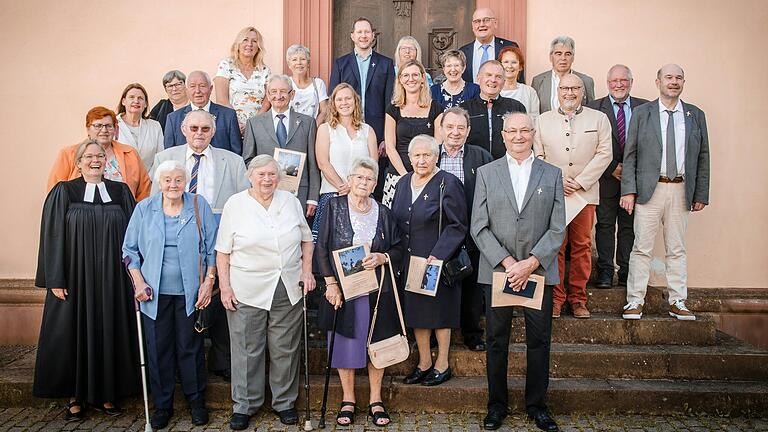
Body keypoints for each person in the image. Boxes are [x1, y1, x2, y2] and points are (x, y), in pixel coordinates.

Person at [471, 111, 565, 432]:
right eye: (513, 131)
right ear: (503, 135)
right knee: (497, 340)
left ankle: (537, 405)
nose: (519, 136)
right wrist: (510, 264)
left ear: (533, 133)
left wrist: (531, 262)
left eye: (525, 130)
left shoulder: (551, 174)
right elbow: (478, 227)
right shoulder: (486, 173)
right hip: (499, 270)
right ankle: (496, 405)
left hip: (538, 270)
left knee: (539, 341)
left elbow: (557, 228)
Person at [35, 139, 140, 421]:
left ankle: (108, 393)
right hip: (75, 278)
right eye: (89, 156)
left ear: (107, 161)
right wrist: (55, 278)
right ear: (78, 162)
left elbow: (134, 237)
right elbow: (52, 235)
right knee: (74, 333)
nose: (95, 160)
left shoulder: (120, 192)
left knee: (110, 328)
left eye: (100, 156)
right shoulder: (64, 192)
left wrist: (136, 277)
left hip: (113, 279)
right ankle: (75, 396)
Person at [215, 155, 316, 430]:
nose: (267, 179)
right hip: (246, 288)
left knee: (285, 348)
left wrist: (307, 271)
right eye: (261, 174)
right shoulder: (235, 204)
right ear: (250, 176)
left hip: (287, 285)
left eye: (272, 174)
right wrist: (224, 286)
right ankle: (245, 405)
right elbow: (222, 252)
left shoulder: (290, 201)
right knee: (247, 349)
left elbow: (307, 241)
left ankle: (284, 403)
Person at [151, 109, 250, 382]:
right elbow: (152, 206)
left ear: (214, 132)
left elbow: (244, 204)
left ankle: (222, 360)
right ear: (183, 129)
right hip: (176, 241)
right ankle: (181, 367)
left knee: (220, 296)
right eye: (193, 128)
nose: (199, 133)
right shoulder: (164, 159)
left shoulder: (233, 161)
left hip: (221, 238)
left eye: (205, 129)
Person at [122, 160, 217, 429]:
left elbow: (212, 249)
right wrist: (138, 282)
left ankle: (196, 402)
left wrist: (208, 283)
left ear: (185, 181)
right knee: (158, 349)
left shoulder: (199, 205)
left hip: (191, 293)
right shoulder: (145, 209)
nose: (173, 185)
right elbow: (129, 251)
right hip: (153, 295)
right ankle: (162, 405)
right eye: (167, 180)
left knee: (190, 348)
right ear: (159, 182)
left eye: (178, 179)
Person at [315, 157, 402, 427]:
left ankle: (376, 399)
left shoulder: (384, 213)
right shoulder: (334, 206)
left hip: (378, 292)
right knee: (345, 344)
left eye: (369, 179)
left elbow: (399, 248)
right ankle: (348, 399)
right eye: (359, 177)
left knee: (377, 343)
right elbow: (322, 247)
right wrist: (330, 284)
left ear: (375, 184)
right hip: (343, 289)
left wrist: (382, 257)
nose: (363, 182)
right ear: (350, 180)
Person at [620, 64, 710, 321]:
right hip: (650, 190)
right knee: (641, 248)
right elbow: (631, 154)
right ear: (657, 82)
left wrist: (700, 193)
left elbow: (703, 155)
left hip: (681, 189)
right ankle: (634, 301)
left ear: (683, 82)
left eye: (678, 77)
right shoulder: (642, 113)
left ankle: (678, 300)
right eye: (668, 77)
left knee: (677, 248)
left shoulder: (695, 115)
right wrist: (628, 191)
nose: (674, 81)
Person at [390, 135, 467, 387]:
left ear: (436, 157)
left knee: (440, 313)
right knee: (417, 314)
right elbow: (394, 220)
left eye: (427, 155)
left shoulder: (448, 183)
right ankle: (424, 363)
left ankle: (442, 365)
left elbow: (457, 225)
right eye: (417, 155)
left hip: (437, 261)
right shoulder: (402, 184)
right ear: (409, 158)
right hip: (410, 262)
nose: (422, 160)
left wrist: (439, 254)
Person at [534, 74, 612, 319]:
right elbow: (538, 156)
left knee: (582, 246)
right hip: (554, 192)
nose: (570, 92)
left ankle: (578, 298)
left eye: (575, 88)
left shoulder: (598, 119)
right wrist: (557, 179)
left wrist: (580, 182)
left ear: (582, 91)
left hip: (585, 194)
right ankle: (556, 298)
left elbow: (605, 153)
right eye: (565, 88)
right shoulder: (542, 120)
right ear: (558, 91)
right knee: (555, 246)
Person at [587, 65, 649, 289]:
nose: (618, 84)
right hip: (605, 178)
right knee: (604, 226)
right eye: (614, 81)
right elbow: (590, 145)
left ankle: (626, 271)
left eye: (623, 80)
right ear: (607, 83)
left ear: (631, 82)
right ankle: (605, 271)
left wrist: (631, 170)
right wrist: (611, 166)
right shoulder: (594, 108)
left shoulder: (645, 108)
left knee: (629, 226)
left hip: (635, 179)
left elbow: (651, 145)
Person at [437, 107, 492, 351]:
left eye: (461, 127)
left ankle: (472, 332)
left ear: (468, 131)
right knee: (438, 284)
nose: (455, 132)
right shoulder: (430, 154)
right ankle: (434, 332)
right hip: (437, 231)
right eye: (450, 127)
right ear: (441, 129)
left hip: (471, 229)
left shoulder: (480, 156)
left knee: (471, 284)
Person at [242, 75, 320, 216]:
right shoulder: (254, 123)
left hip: (298, 194)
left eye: (283, 91)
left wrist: (313, 198)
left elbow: (313, 163)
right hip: (263, 193)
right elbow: (248, 160)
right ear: (268, 94)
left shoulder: (308, 123)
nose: (278, 96)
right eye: (274, 91)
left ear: (292, 94)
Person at [312, 83, 379, 240]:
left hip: (362, 196)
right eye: (339, 99)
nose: (344, 103)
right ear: (333, 104)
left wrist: (354, 188)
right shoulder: (325, 129)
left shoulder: (367, 130)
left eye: (348, 98)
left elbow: (373, 165)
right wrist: (344, 187)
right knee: (328, 247)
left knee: (363, 244)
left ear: (355, 101)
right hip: (333, 194)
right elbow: (323, 162)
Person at [48, 106, 151, 201]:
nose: (104, 130)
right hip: (80, 217)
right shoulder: (69, 154)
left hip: (121, 217)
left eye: (109, 126)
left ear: (116, 129)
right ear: (88, 129)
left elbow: (144, 190)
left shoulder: (130, 154)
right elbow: (55, 192)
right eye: (98, 126)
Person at [382, 60, 444, 207]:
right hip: (398, 175)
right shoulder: (393, 109)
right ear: (400, 80)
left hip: (428, 176)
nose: (411, 79)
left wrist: (422, 175)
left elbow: (438, 145)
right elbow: (390, 147)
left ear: (423, 78)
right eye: (406, 75)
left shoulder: (436, 108)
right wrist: (406, 177)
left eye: (415, 75)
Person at [329, 17, 394, 144]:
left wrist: (387, 138)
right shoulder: (340, 64)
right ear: (352, 36)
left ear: (373, 35)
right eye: (359, 32)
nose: (363, 36)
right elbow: (333, 99)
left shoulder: (386, 64)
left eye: (367, 32)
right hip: (345, 131)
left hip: (377, 132)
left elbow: (389, 102)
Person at [164, 71, 242, 156]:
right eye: (192, 86)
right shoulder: (173, 118)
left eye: (202, 86)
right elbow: (169, 154)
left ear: (211, 89)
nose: (197, 91)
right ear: (187, 90)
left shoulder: (228, 116)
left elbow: (236, 152)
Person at [460, 60, 526, 159]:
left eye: (498, 77)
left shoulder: (516, 107)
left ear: (504, 82)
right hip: (474, 165)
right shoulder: (464, 109)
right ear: (478, 78)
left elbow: (525, 138)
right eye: (488, 75)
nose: (493, 80)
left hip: (507, 165)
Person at [214, 26, 272, 132]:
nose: (249, 44)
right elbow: (222, 100)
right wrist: (236, 123)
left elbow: (267, 103)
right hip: (231, 125)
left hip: (257, 126)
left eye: (254, 41)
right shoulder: (226, 65)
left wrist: (252, 124)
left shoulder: (264, 70)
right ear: (238, 44)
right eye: (245, 40)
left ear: (258, 47)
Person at [531, 36, 595, 113]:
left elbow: (591, 111)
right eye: (559, 54)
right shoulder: (538, 81)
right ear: (551, 57)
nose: (563, 58)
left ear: (573, 58)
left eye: (568, 54)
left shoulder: (586, 81)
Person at [459, 7, 522, 84]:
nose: (482, 24)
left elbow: (519, 79)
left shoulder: (509, 47)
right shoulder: (463, 52)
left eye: (486, 20)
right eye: (477, 21)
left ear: (495, 23)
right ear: (473, 26)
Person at [116, 83, 164, 170]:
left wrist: (148, 180)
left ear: (145, 104)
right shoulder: (113, 125)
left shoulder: (155, 126)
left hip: (149, 180)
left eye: (140, 98)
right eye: (131, 97)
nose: (136, 101)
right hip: (119, 181)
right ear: (123, 101)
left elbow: (160, 157)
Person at [286, 44, 329, 125]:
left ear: (308, 63)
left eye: (302, 59)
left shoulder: (318, 83)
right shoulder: (286, 83)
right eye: (294, 59)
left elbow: (324, 111)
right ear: (289, 65)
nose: (299, 63)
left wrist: (313, 129)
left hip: (312, 129)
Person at [499, 47, 541, 119]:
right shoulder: (493, 91)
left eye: (514, 62)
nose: (509, 66)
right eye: (506, 62)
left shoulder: (530, 92)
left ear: (520, 67)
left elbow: (535, 119)